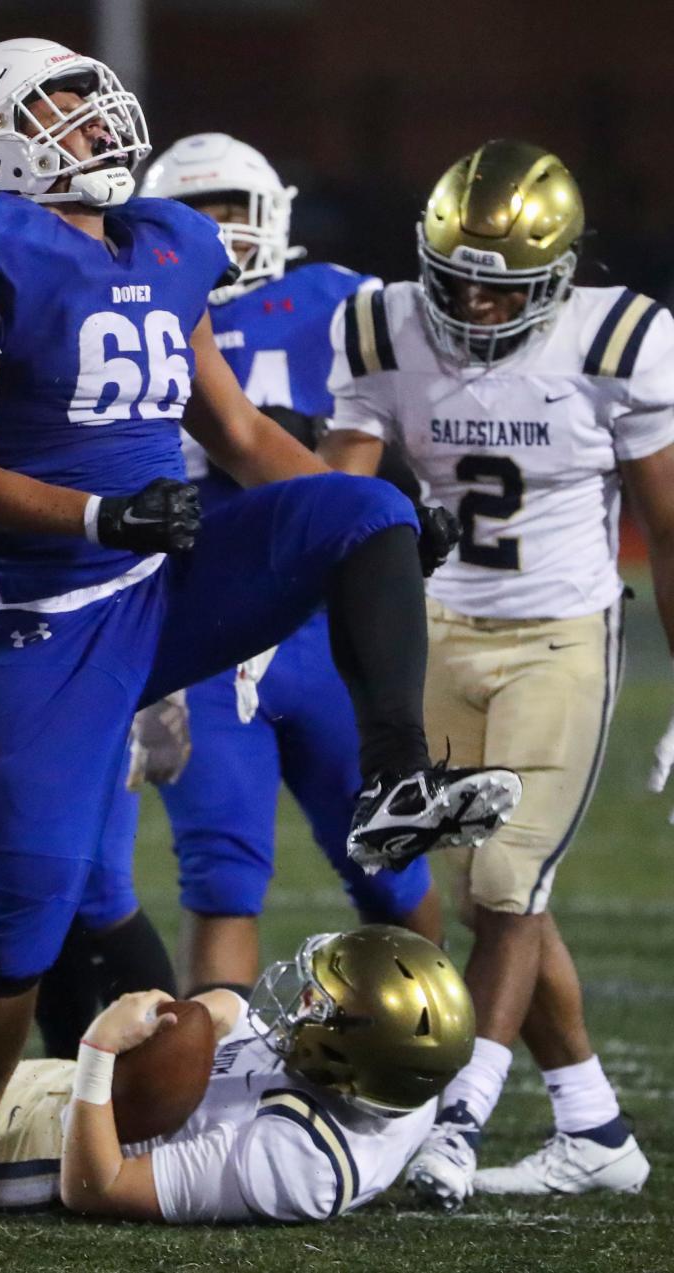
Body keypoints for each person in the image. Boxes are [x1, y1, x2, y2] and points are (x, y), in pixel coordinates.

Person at [0, 37, 520, 1248]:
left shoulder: (168, 242)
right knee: (21, 914)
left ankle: (392, 776)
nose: (92, 115)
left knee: (364, 504)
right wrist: (96, 512)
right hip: (37, 614)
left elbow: (235, 436)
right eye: (56, 106)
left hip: (158, 580)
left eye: (86, 93)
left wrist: (363, 526)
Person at [324, 139, 665, 1208]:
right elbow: (338, 506)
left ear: (561, 272)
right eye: (458, 277)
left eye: (503, 284)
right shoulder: (378, 324)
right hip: (432, 630)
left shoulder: (623, 338)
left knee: (509, 882)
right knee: (488, 894)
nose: (475, 304)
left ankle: (452, 1122)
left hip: (562, 634)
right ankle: (593, 1126)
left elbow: (669, 524)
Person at [130, 132, 443, 997]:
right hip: (205, 633)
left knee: (395, 873)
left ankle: (429, 1073)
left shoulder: (345, 301)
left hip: (330, 626)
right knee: (223, 876)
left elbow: (410, 433)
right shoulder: (134, 309)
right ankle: (210, 1104)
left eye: (234, 210)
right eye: (198, 214)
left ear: (275, 217)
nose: (221, 232)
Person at [0, 926, 475, 1234]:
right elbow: (227, 1009)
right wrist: (189, 1025)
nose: (298, 997)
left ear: (345, 1063)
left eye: (320, 1004)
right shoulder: (402, 1074)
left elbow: (97, 1185)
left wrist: (101, 1052)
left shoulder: (302, 1163)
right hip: (112, 1094)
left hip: (56, 1146)